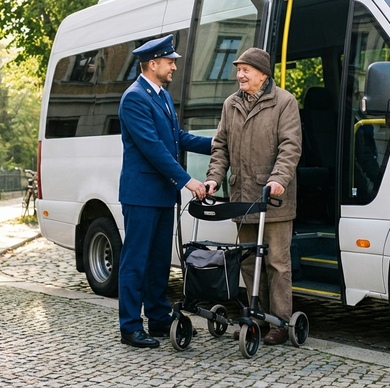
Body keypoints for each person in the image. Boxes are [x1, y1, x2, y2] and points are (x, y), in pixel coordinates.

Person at [117, 34, 212, 348]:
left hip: (160, 194)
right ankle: (130, 326)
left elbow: (177, 137)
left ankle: (158, 319)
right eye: (170, 61)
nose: (174, 66)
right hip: (141, 195)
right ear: (152, 63)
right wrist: (189, 181)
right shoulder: (134, 98)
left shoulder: (162, 96)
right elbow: (154, 149)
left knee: (158, 261)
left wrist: (217, 144)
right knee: (135, 261)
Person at [204, 47, 302, 345]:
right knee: (248, 262)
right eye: (238, 69)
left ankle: (281, 322)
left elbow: (290, 146)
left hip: (272, 199)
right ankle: (256, 318)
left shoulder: (284, 102)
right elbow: (220, 147)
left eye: (245, 69)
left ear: (263, 74)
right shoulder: (231, 104)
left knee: (276, 263)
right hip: (242, 198)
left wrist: (278, 179)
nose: (240, 75)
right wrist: (213, 178)